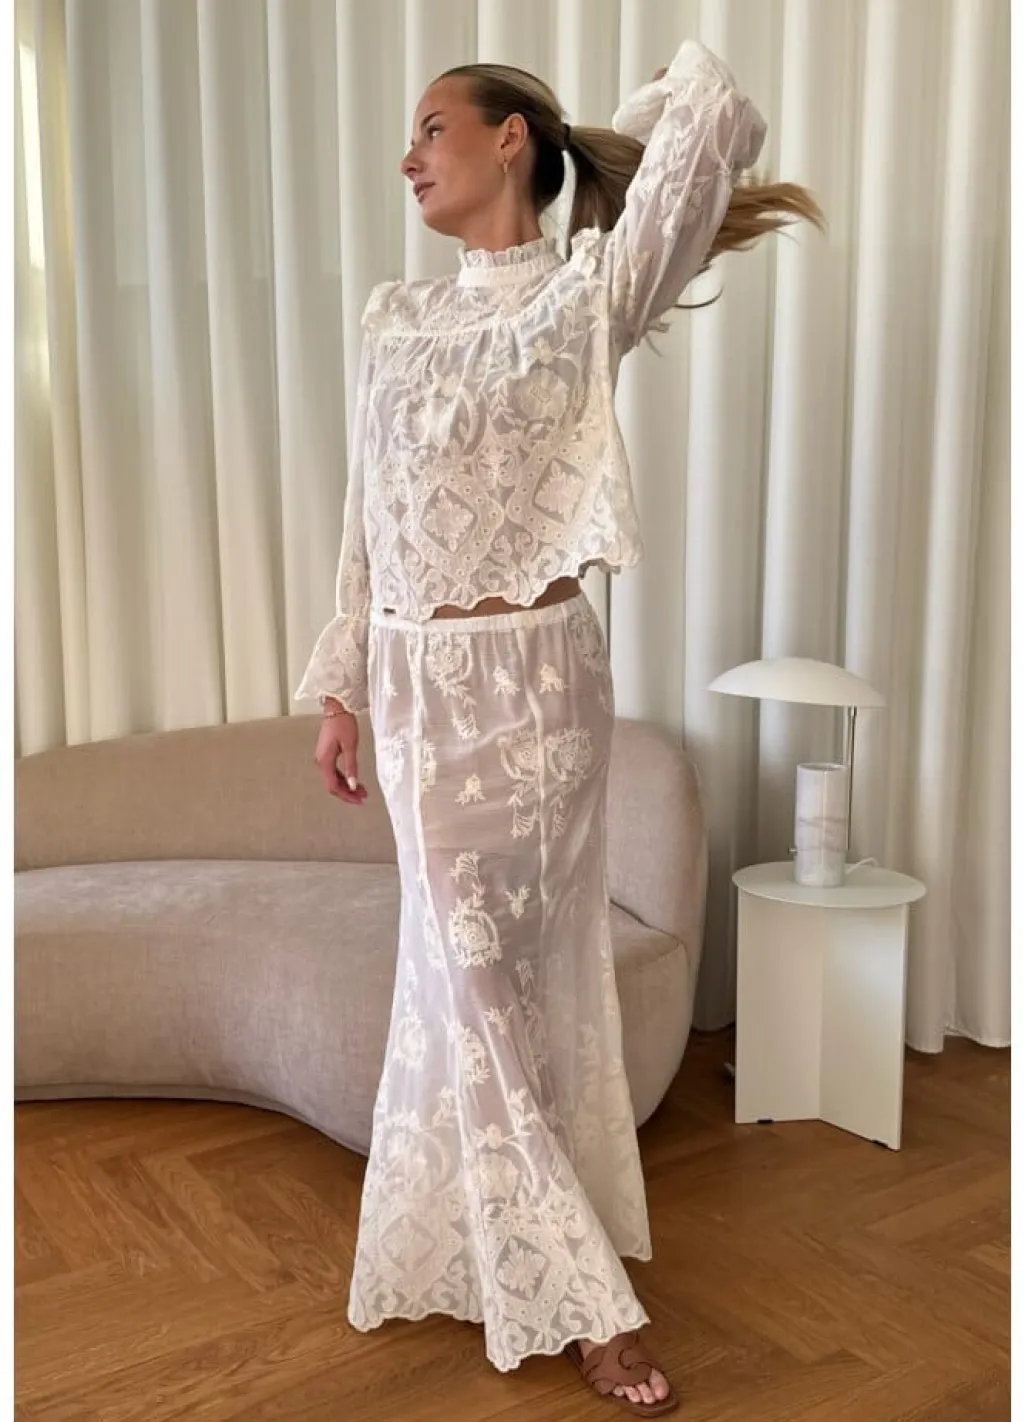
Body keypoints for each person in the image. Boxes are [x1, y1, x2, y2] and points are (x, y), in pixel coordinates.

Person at [294, 38, 821, 1417]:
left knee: (522, 982)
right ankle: (573, 1289)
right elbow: (364, 522)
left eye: (435, 128)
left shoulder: (587, 295)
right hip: (420, 693)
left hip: (538, 691)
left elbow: (712, 123)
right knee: (466, 982)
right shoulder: (395, 319)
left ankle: (553, 1269)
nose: (410, 157)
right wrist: (343, 686)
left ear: (510, 139)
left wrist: (604, 127)